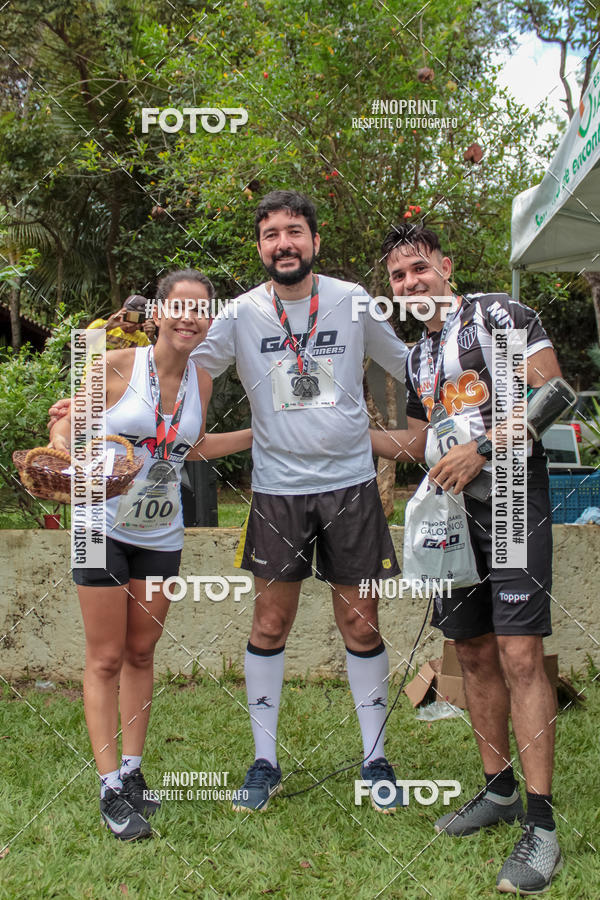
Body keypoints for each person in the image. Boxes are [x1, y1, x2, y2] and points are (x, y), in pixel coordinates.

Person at [190, 190, 412, 814]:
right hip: (277, 492)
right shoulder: (238, 313)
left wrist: (448, 419)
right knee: (269, 623)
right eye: (270, 235)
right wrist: (125, 389)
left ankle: (375, 760)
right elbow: (190, 368)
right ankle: (264, 762)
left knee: (361, 623)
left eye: (294, 231)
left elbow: (406, 364)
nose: (283, 243)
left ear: (315, 241)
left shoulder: (351, 300)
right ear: (260, 247)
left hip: (350, 486)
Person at [372, 223, 563, 894]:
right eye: (398, 277)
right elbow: (423, 440)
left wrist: (482, 448)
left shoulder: (497, 315)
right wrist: (341, 432)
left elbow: (554, 395)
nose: (410, 283)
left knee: (518, 655)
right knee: (473, 653)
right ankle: (498, 789)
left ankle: (540, 828)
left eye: (419, 268)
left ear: (445, 266)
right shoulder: (416, 356)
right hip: (451, 518)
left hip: (511, 499)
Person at [49, 269, 252, 841]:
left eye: (201, 309)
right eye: (178, 307)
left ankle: (135, 773)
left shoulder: (202, 383)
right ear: (157, 313)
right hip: (100, 525)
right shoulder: (116, 365)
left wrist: (258, 435)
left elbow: (191, 446)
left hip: (161, 532)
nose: (189, 317)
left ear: (209, 321)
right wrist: (67, 449)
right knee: (106, 656)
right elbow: (65, 430)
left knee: (142, 652)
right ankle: (110, 786)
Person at [87, 294, 156, 349]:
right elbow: (80, 343)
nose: (137, 326)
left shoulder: (143, 338)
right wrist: (108, 326)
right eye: (134, 318)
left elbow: (158, 359)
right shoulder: (101, 324)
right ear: (124, 313)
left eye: (141, 321)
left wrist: (152, 338)